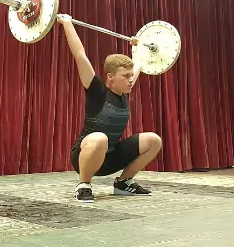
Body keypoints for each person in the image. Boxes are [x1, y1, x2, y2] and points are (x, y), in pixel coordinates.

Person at [56, 14, 162, 203]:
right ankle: (83, 185)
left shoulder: (125, 91)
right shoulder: (97, 91)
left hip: (110, 158)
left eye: (131, 75)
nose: (131, 80)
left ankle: (123, 183)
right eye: (125, 76)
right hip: (84, 156)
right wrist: (67, 23)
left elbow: (138, 62)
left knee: (153, 140)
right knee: (99, 138)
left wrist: (138, 46)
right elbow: (80, 55)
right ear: (110, 77)